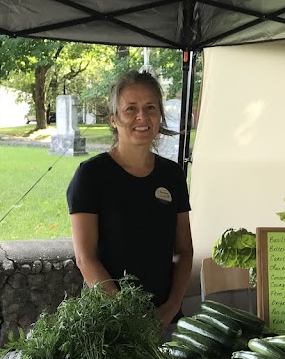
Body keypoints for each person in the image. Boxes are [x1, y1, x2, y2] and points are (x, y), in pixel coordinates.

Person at [66, 70, 192, 326]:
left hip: (165, 320)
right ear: (113, 119)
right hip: (109, 321)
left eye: (150, 108)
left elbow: (184, 250)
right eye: (130, 109)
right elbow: (85, 258)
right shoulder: (91, 175)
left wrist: (172, 306)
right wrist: (127, 315)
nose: (142, 117)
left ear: (159, 116)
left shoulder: (173, 175)